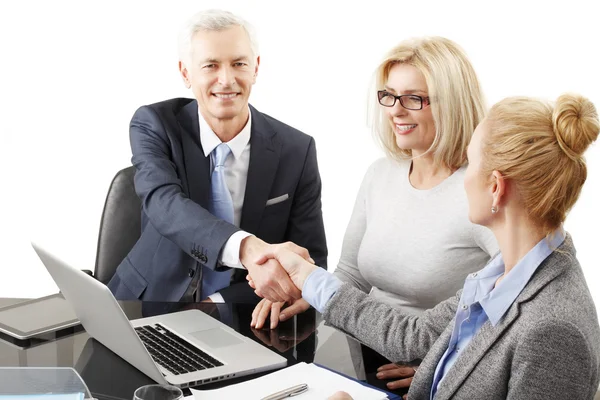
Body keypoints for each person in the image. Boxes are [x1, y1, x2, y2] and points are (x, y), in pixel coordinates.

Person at [257, 93, 600, 399]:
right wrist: (308, 276)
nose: (462, 178)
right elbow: (414, 335)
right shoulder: (503, 275)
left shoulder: (553, 331)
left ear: (496, 188)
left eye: (470, 162)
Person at [251, 36, 498, 393]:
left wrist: (449, 364)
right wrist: (307, 293)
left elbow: (513, 303)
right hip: (357, 354)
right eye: (389, 96)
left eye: (413, 98)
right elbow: (351, 273)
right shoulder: (381, 174)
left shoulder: (482, 192)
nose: (396, 110)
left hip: (419, 373)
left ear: (454, 104)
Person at [107, 9, 327, 304]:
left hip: (241, 313)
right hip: (146, 301)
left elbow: (311, 259)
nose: (226, 80)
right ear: (186, 73)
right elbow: (164, 204)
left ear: (256, 68)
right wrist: (247, 248)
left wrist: (222, 304)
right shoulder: (154, 124)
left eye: (239, 63)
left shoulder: (296, 150)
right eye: (210, 65)